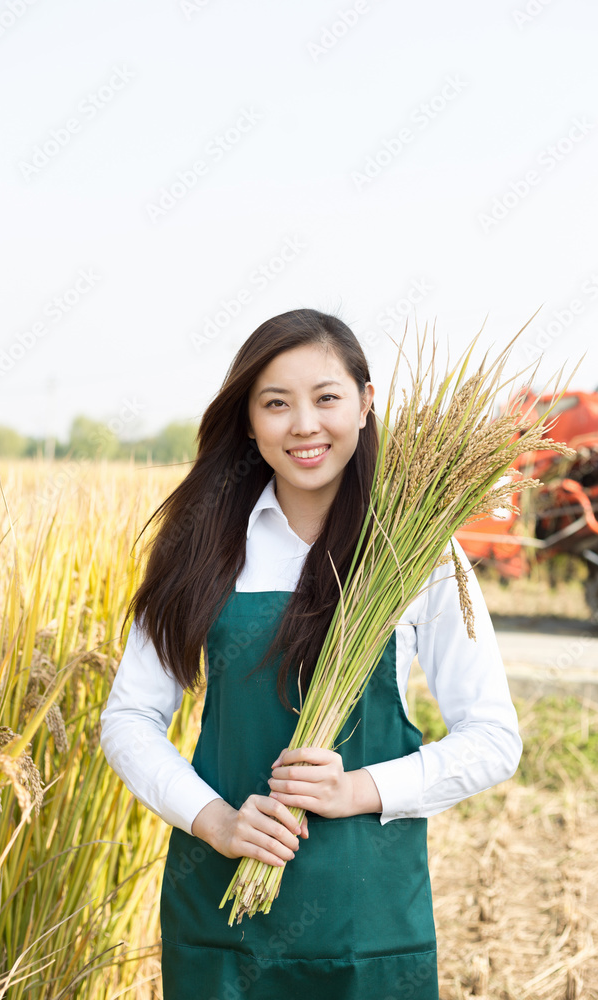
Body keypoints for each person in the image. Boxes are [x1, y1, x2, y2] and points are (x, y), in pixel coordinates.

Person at [100, 308, 523, 1000]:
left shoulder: (418, 553)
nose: (304, 425)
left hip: (370, 922)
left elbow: (494, 739)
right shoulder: (199, 548)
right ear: (246, 421)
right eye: (276, 403)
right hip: (220, 918)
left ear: (364, 403)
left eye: (326, 398)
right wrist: (217, 821)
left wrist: (357, 789)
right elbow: (129, 718)